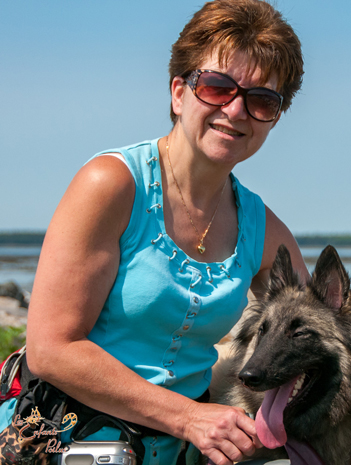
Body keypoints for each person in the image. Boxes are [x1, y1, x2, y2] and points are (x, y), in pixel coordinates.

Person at [0, 1, 308, 464]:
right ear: (179, 93)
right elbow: (51, 349)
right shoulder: (112, 185)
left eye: (262, 99)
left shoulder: (263, 229)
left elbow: (322, 336)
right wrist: (189, 417)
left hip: (181, 453)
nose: (237, 110)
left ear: (274, 118)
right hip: (63, 441)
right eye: (218, 88)